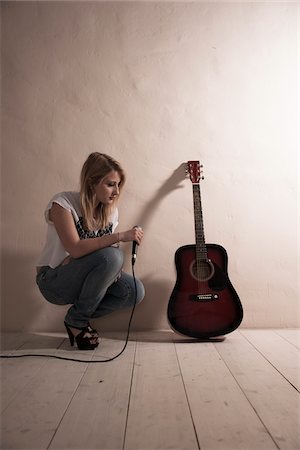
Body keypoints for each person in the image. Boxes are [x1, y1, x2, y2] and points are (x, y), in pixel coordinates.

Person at [36, 152, 145, 350]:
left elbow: (102, 254)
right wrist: (119, 237)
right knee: (112, 257)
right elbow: (75, 248)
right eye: (111, 184)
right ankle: (77, 323)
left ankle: (77, 316)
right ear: (91, 182)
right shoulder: (63, 204)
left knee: (134, 291)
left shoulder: (110, 211)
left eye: (118, 185)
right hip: (53, 280)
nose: (116, 191)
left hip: (83, 277)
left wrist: (110, 266)